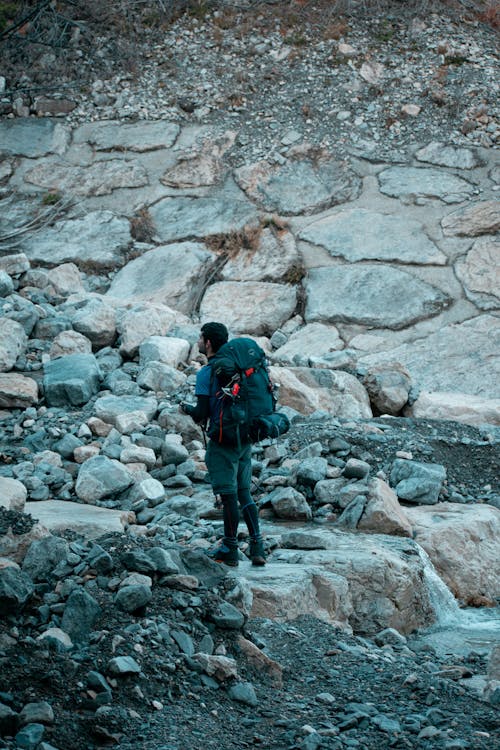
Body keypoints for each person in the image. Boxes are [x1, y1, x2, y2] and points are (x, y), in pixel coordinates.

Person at [181, 321, 266, 567]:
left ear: (208, 343)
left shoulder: (206, 373)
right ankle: (257, 545)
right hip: (244, 438)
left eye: (200, 339)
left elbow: (202, 413)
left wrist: (187, 409)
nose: (198, 342)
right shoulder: (239, 368)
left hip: (221, 440)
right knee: (244, 492)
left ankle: (229, 546)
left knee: (228, 495)